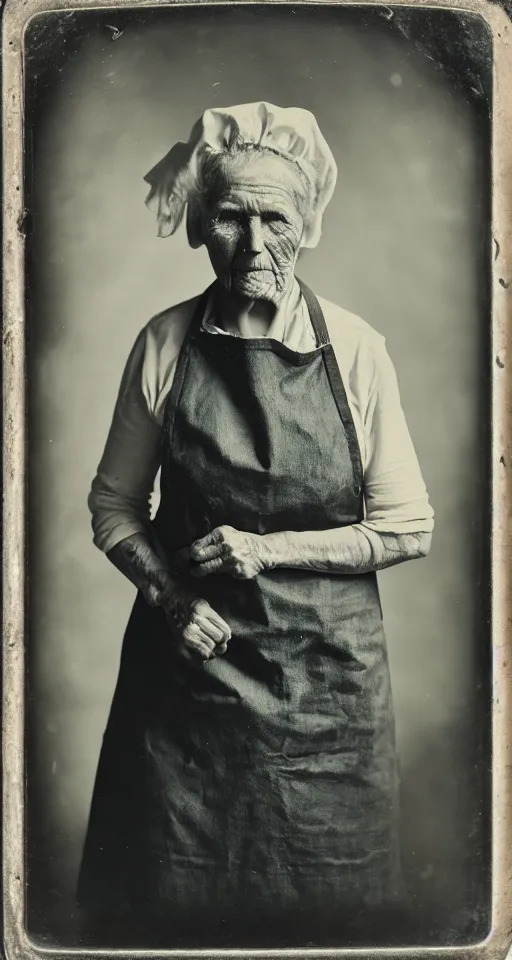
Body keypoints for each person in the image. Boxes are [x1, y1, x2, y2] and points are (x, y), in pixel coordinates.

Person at [77, 101, 434, 948]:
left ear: (307, 226)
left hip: (328, 696)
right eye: (231, 216)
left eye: (276, 217)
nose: (254, 240)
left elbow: (408, 526)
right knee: (167, 915)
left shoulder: (356, 350)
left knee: (328, 920)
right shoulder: (164, 345)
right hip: (187, 689)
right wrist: (169, 597)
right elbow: (114, 507)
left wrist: (266, 549)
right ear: (201, 226)